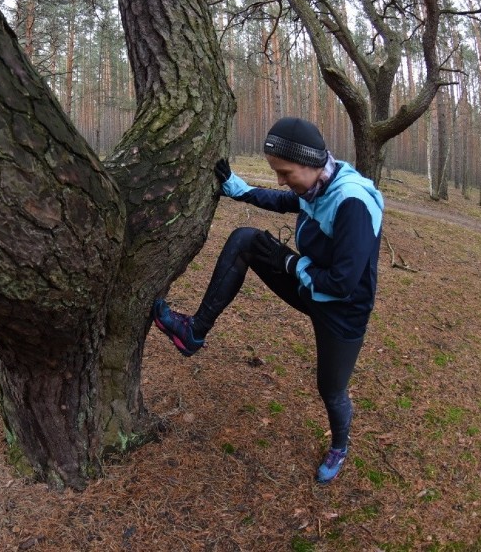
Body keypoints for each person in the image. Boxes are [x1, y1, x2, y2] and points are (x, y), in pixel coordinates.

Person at [152, 117, 384, 484]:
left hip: (341, 312)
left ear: (310, 164)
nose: (280, 179)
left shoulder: (351, 201)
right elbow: (283, 199)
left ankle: (340, 444)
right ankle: (193, 331)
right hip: (309, 285)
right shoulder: (316, 186)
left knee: (331, 388)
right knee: (246, 240)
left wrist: (290, 262)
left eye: (285, 171)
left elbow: (341, 284)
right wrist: (237, 189)